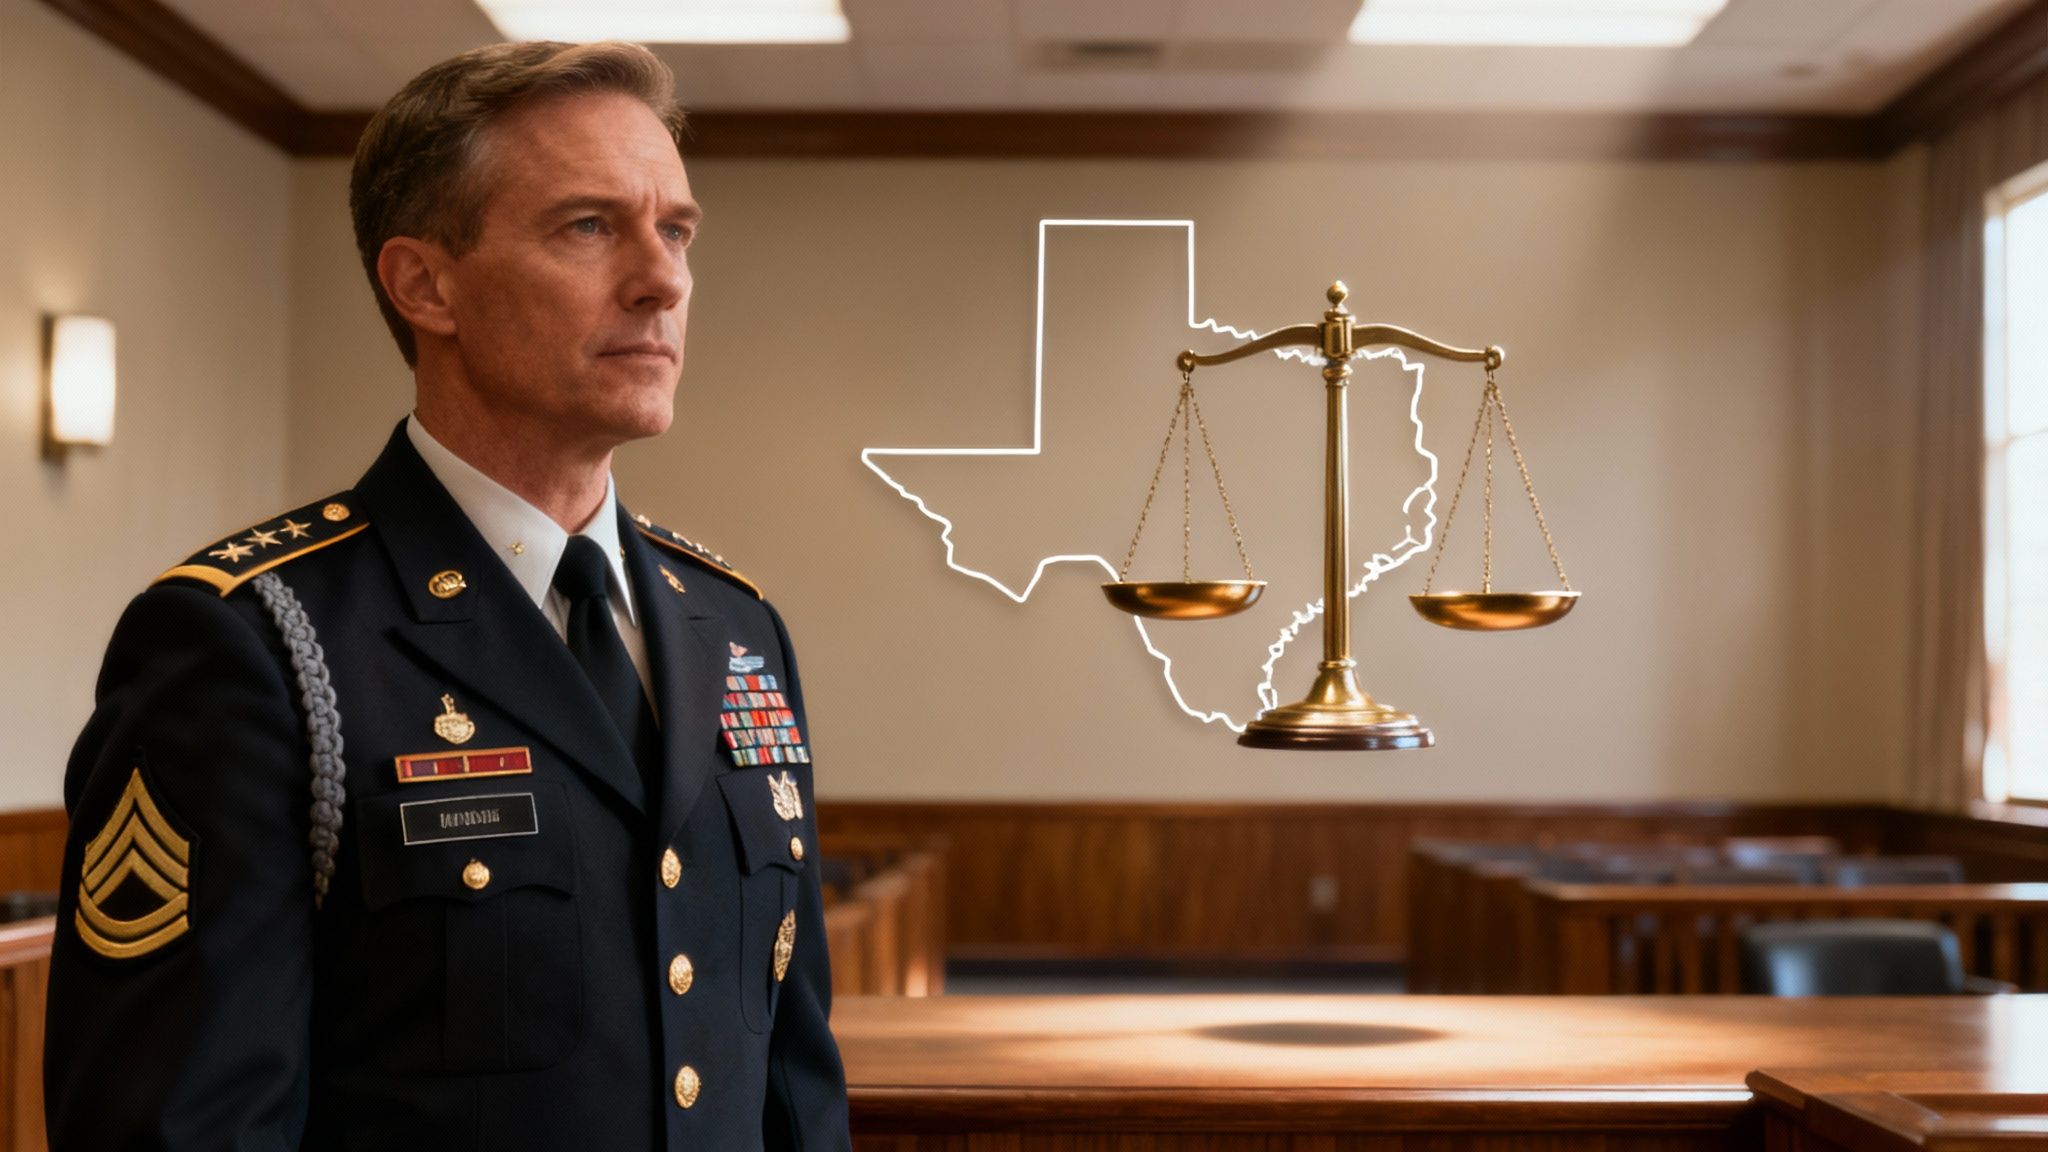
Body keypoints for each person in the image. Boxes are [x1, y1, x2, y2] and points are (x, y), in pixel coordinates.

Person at [42, 40, 851, 1151]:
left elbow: (796, 1088)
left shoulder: (735, 627)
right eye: (588, 225)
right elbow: (181, 1126)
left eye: (674, 229)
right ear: (425, 283)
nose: (662, 278)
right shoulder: (255, 644)